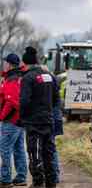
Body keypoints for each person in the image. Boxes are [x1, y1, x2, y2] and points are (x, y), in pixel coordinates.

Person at [19, 47, 59, 188]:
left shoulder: (28, 78)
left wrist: (22, 118)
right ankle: (51, 182)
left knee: (35, 153)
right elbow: (56, 99)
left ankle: (38, 182)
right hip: (48, 120)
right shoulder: (49, 76)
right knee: (48, 153)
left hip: (33, 122)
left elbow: (24, 101)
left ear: (25, 63)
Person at [0, 54, 27, 188]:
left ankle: (5, 179)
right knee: (19, 149)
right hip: (20, 120)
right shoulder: (19, 77)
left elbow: (11, 101)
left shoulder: (12, 79)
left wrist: (2, 116)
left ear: (9, 64)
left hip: (11, 120)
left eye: (5, 62)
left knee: (5, 149)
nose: (3, 64)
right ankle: (21, 177)